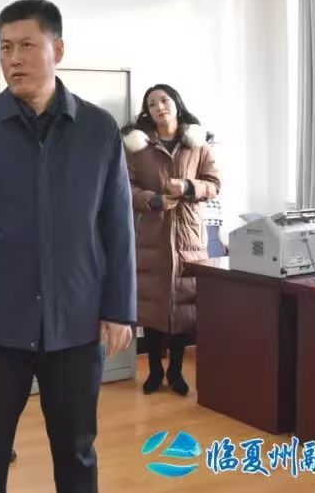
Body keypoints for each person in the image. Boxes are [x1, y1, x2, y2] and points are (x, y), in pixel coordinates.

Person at [0, 0, 137, 493]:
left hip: (75, 322)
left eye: (27, 45)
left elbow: (118, 226)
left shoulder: (97, 129)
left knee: (77, 449)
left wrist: (119, 309)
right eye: (5, 47)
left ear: (57, 50)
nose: (14, 58)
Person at [122, 84, 220, 397]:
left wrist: (189, 187)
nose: (159, 107)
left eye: (164, 100)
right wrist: (154, 200)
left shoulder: (198, 143)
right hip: (152, 232)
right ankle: (154, 371)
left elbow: (214, 184)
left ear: (176, 103)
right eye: (152, 104)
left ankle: (176, 372)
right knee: (152, 305)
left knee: (183, 307)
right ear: (147, 111)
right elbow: (125, 188)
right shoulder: (137, 146)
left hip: (188, 233)